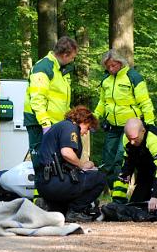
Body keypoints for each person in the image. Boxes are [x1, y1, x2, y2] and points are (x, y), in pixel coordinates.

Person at [93, 49, 156, 191]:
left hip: (130, 129)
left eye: (113, 65)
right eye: (108, 66)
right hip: (112, 128)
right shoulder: (106, 81)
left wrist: (150, 124)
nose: (110, 69)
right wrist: (94, 118)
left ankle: (120, 198)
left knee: (120, 161)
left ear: (120, 63)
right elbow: (102, 103)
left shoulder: (133, 77)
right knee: (108, 162)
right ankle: (114, 194)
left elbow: (145, 102)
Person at [35, 106, 107, 222]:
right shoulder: (71, 127)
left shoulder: (60, 126)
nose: (85, 133)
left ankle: (49, 205)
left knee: (62, 211)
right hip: (56, 181)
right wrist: (83, 165)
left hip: (44, 183)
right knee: (100, 178)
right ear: (85, 121)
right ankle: (75, 211)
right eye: (88, 128)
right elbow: (67, 153)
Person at [23, 36, 78, 167]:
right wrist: (45, 125)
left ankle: (49, 187)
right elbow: (37, 99)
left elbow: (60, 101)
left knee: (55, 165)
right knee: (42, 163)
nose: (73, 60)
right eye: (72, 57)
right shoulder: (44, 67)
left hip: (55, 124)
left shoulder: (60, 70)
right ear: (65, 55)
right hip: (40, 124)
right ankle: (40, 188)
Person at [111, 119, 157, 212]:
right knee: (136, 204)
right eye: (129, 138)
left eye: (134, 138)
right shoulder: (127, 138)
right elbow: (128, 158)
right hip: (147, 170)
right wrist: (127, 172)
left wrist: (154, 195)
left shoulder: (154, 139)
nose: (132, 142)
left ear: (143, 131)